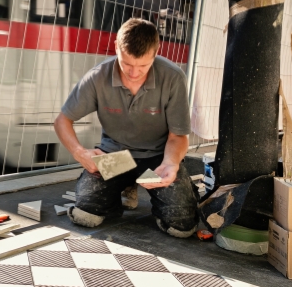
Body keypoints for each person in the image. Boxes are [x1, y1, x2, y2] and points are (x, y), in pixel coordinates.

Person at [54, 18, 198, 238]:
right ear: (116, 48)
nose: (134, 73)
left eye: (143, 65)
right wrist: (79, 152)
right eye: (127, 63)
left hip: (157, 159)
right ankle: (122, 188)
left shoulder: (173, 77)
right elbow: (62, 121)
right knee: (86, 214)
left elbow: (178, 135)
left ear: (156, 53)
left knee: (181, 227)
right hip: (116, 156)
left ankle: (162, 197)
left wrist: (171, 163)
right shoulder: (97, 76)